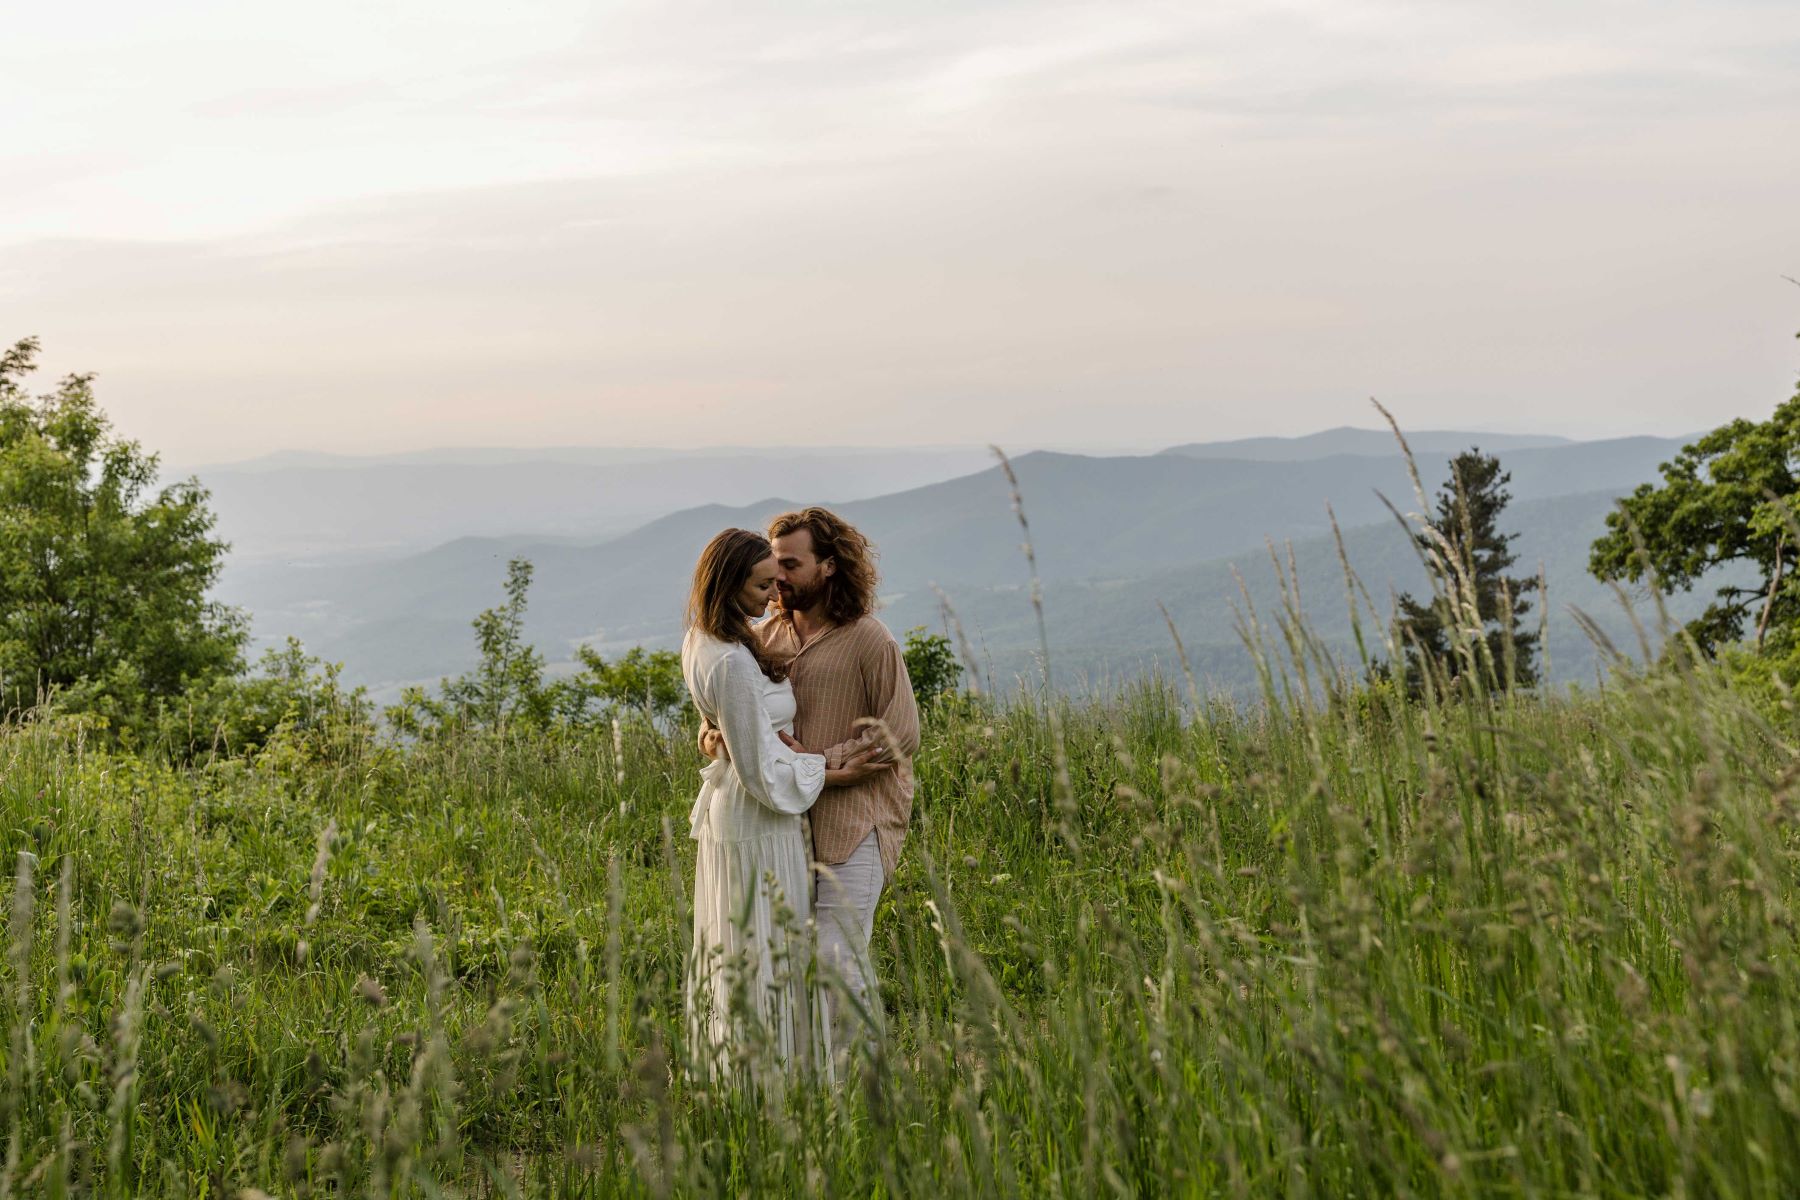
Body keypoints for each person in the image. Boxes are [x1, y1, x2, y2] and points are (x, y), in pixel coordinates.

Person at [702, 507, 919, 1060]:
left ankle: (861, 1089)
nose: (778, 579)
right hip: (785, 829)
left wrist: (820, 761)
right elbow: (732, 712)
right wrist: (710, 736)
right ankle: (809, 1085)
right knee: (792, 963)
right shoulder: (762, 634)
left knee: (835, 962)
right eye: (773, 566)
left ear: (828, 567)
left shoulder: (869, 639)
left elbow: (900, 734)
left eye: (791, 565)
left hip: (855, 825)